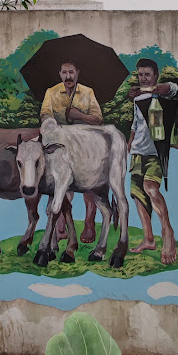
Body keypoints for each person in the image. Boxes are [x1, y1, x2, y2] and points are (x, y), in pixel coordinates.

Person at [40, 60, 102, 243]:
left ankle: (89, 223)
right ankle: (61, 226)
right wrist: (51, 124)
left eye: (72, 72)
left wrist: (80, 116)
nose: (68, 76)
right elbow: (44, 113)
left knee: (89, 187)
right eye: (65, 72)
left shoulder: (87, 92)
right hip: (61, 144)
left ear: (77, 73)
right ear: (60, 74)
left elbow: (98, 118)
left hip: (84, 146)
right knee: (61, 183)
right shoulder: (51, 92)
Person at [127, 58, 178, 265]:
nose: (143, 78)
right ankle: (149, 239)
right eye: (140, 75)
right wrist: (129, 143)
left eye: (147, 74)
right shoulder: (137, 99)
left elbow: (172, 87)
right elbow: (135, 123)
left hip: (155, 153)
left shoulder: (163, 92)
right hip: (137, 152)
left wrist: (148, 89)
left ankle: (167, 233)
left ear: (156, 75)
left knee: (151, 189)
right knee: (138, 196)